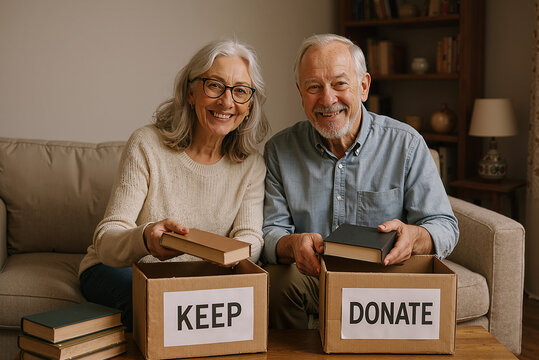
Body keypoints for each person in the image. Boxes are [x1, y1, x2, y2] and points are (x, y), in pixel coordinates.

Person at [262, 34, 459, 329]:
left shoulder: (406, 144)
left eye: (340, 84)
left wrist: (414, 237)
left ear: (363, 86)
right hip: (314, 277)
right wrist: (292, 244)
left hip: (386, 276)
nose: (327, 99)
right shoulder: (279, 150)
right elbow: (270, 230)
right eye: (313, 87)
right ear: (300, 92)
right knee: (276, 282)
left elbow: (444, 225)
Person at [79, 39, 269, 331]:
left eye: (240, 91)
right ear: (191, 93)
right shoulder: (146, 144)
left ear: (249, 104)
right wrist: (146, 238)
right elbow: (107, 239)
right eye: (215, 85)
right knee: (158, 308)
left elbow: (251, 237)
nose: (227, 102)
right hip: (120, 269)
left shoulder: (251, 165)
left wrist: (232, 254)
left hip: (191, 282)